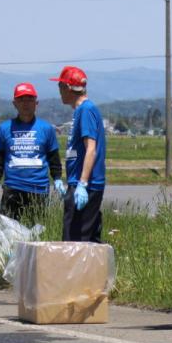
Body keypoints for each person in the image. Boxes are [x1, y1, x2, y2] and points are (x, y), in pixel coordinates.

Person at [0, 82, 65, 221]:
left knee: (38, 231)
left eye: (30, 99)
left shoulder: (46, 129)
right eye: (21, 99)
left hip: (38, 190)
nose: (26, 103)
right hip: (12, 189)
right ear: (14, 103)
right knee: (6, 230)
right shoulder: (4, 129)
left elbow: (54, 159)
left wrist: (58, 179)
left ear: (36, 103)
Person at [50, 66, 106, 242]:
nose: (59, 91)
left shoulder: (86, 110)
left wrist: (82, 184)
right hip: (78, 183)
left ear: (67, 87)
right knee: (87, 243)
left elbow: (91, 148)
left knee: (74, 244)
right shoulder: (80, 111)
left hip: (86, 186)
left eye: (60, 86)